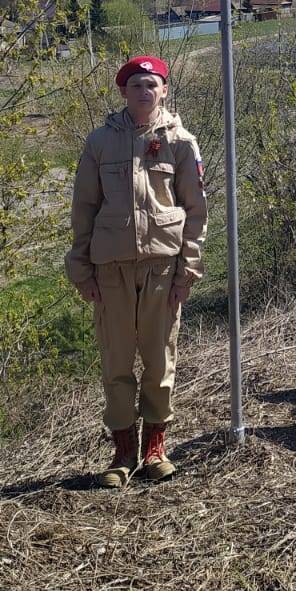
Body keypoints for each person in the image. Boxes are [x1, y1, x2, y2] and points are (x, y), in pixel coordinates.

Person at [66, 55, 208, 485]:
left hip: (163, 269)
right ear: (123, 92)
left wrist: (188, 271)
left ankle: (154, 447)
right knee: (116, 360)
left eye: (152, 85)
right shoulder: (99, 143)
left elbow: (196, 211)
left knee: (159, 357)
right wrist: (82, 270)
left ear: (164, 90)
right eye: (136, 85)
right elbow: (83, 210)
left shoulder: (181, 142)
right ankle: (123, 450)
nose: (144, 92)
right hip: (112, 271)